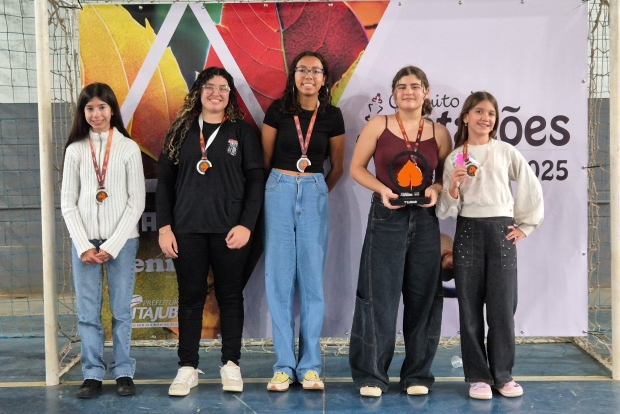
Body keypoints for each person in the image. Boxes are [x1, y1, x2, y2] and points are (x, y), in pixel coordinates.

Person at [156, 67, 264, 396]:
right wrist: (164, 228)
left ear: (231, 95)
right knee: (190, 298)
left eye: (223, 88)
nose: (216, 93)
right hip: (186, 230)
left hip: (230, 231)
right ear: (199, 91)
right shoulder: (180, 131)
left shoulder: (242, 132)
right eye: (210, 86)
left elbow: (256, 181)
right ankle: (187, 368)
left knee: (230, 297)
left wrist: (246, 225)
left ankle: (231, 364)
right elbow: (165, 183)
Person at [348, 66, 452, 397]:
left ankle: (417, 374)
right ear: (394, 93)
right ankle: (372, 375)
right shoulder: (378, 125)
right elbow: (356, 168)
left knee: (423, 298)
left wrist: (436, 189)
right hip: (386, 217)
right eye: (402, 86)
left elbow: (445, 176)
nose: (409, 91)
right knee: (378, 298)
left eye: (415, 86)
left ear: (426, 92)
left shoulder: (439, 132)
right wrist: (382, 189)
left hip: (425, 220)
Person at [436, 91, 544, 400]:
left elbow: (530, 184)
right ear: (466, 117)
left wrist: (526, 225)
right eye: (479, 112)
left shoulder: (505, 151)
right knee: (470, 309)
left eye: (491, 114)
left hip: (501, 232)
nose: (486, 118)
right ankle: (478, 377)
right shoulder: (455, 157)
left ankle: (503, 375)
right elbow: (445, 210)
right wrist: (453, 186)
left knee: (502, 308)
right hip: (468, 231)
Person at [262, 51, 345, 392]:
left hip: (314, 191)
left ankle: (310, 367)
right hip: (279, 189)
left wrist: (315, 191)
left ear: (324, 79)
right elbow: (265, 159)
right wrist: (285, 185)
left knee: (312, 282)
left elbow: (337, 166)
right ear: (293, 75)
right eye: (302, 69)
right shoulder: (277, 111)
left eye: (316, 71)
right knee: (279, 282)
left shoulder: (332, 116)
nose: (309, 75)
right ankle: (283, 366)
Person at [61, 82, 145, 398]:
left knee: (121, 311)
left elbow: (136, 202)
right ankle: (92, 374)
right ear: (83, 113)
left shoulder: (128, 148)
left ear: (112, 110)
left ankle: (123, 371)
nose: (96, 114)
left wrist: (111, 245)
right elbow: (68, 202)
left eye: (102, 107)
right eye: (90, 108)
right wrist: (83, 244)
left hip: (122, 243)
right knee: (87, 313)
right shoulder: (75, 150)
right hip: (84, 244)